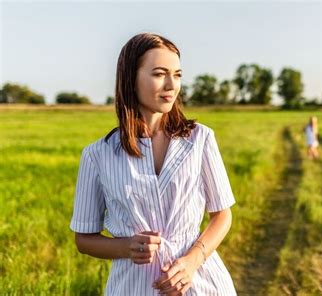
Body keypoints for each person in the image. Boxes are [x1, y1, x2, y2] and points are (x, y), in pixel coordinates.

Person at [70, 32, 237, 295]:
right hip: (134, 287)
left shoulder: (201, 138)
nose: (172, 85)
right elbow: (84, 239)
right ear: (131, 80)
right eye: (159, 74)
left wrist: (193, 260)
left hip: (201, 283)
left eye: (178, 74)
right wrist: (126, 247)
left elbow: (223, 215)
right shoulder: (97, 155)